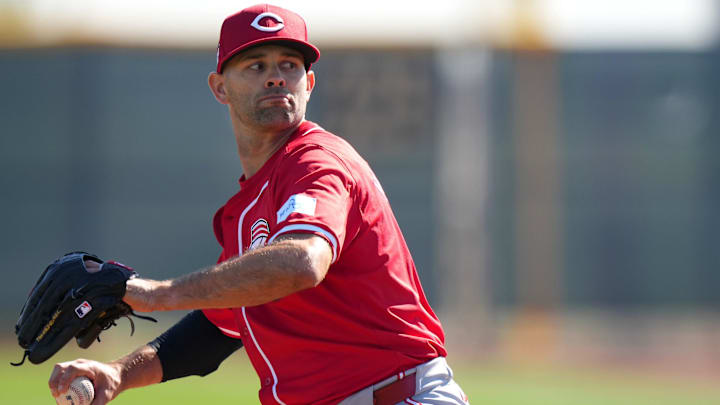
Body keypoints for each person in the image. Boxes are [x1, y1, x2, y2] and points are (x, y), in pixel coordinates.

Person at [47, 4, 469, 405]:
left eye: (289, 64)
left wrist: (157, 293)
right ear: (220, 88)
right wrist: (120, 373)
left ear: (310, 83)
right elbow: (219, 327)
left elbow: (302, 261)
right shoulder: (249, 206)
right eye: (256, 65)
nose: (276, 78)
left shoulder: (317, 163)